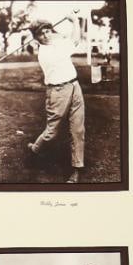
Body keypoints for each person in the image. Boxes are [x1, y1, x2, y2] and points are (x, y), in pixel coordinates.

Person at [26, 14, 85, 184]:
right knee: (52, 132)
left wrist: (72, 23)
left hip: (75, 86)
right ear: (36, 38)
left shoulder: (56, 43)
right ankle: (35, 149)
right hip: (58, 91)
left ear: (51, 30)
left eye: (47, 31)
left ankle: (76, 169)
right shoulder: (45, 53)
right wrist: (74, 22)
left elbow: (70, 39)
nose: (46, 35)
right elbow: (75, 40)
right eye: (41, 33)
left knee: (78, 129)